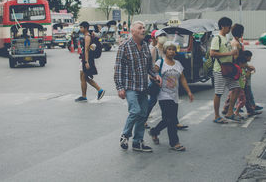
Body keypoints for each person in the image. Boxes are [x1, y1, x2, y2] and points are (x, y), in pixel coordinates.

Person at [114, 21, 162, 152]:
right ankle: (125, 135)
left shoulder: (146, 46)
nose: (143, 30)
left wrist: (155, 75)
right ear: (133, 31)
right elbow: (118, 69)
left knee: (143, 114)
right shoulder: (124, 46)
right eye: (140, 28)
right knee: (135, 111)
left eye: (144, 28)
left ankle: (137, 142)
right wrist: (119, 88)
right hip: (130, 86)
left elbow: (149, 67)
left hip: (143, 87)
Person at [149, 42, 194, 151]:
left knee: (167, 119)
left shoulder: (178, 64)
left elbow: (182, 78)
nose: (171, 51)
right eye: (169, 49)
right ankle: (174, 143)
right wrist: (155, 79)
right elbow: (152, 73)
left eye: (173, 49)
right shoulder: (160, 62)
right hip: (163, 95)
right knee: (172, 119)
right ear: (165, 51)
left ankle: (154, 131)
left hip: (174, 95)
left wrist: (189, 92)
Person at [210, 17, 239, 123]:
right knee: (218, 93)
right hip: (219, 69)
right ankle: (216, 116)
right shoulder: (216, 38)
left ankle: (230, 112)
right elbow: (212, 53)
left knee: (236, 88)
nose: (230, 29)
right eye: (229, 26)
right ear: (223, 26)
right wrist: (229, 53)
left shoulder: (226, 38)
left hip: (229, 68)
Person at [75, 21, 105, 102]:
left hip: (86, 59)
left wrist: (86, 62)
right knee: (83, 77)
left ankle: (99, 90)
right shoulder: (87, 36)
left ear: (85, 28)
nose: (80, 29)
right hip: (84, 59)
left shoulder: (87, 37)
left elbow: (87, 50)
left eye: (81, 27)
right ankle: (84, 96)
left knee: (84, 77)